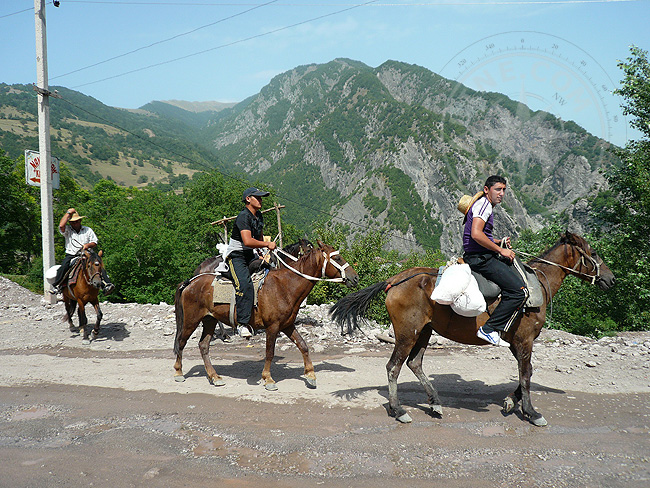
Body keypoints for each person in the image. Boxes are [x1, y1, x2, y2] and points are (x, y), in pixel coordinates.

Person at [461, 175, 527, 347]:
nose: (502, 193)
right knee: (519, 291)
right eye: (498, 189)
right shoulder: (484, 205)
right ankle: (489, 329)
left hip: (478, 254)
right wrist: (500, 250)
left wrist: (497, 241)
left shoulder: (483, 204)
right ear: (486, 190)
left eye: (504, 190)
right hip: (481, 259)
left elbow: (479, 235)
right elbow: (476, 234)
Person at [224, 188, 277, 339]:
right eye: (258, 198)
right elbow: (247, 241)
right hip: (236, 256)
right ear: (248, 199)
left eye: (261, 198)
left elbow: (258, 235)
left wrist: (262, 254)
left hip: (250, 254)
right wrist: (267, 245)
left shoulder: (258, 215)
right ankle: (242, 324)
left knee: (270, 272)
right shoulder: (243, 216)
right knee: (245, 284)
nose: (260, 200)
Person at [51, 208, 115, 295]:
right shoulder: (68, 230)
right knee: (64, 267)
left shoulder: (88, 230)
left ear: (80, 221)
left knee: (97, 264)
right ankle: (57, 286)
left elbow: (94, 242)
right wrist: (68, 212)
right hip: (72, 254)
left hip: (88, 254)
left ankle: (106, 284)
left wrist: (87, 245)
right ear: (70, 222)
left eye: (77, 221)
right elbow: (61, 226)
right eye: (73, 222)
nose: (75, 223)